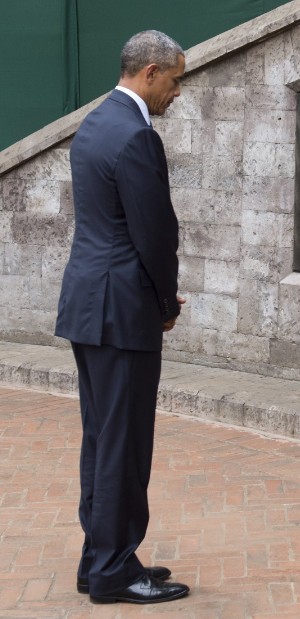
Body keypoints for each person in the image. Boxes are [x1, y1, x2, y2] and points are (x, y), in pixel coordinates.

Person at [55, 30, 190, 605]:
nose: (177, 93)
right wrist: (165, 304)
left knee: (102, 439)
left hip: (90, 306)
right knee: (124, 444)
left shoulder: (94, 123)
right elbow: (153, 234)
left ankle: (102, 558)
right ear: (151, 72)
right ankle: (113, 572)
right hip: (122, 313)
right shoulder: (136, 135)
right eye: (176, 79)